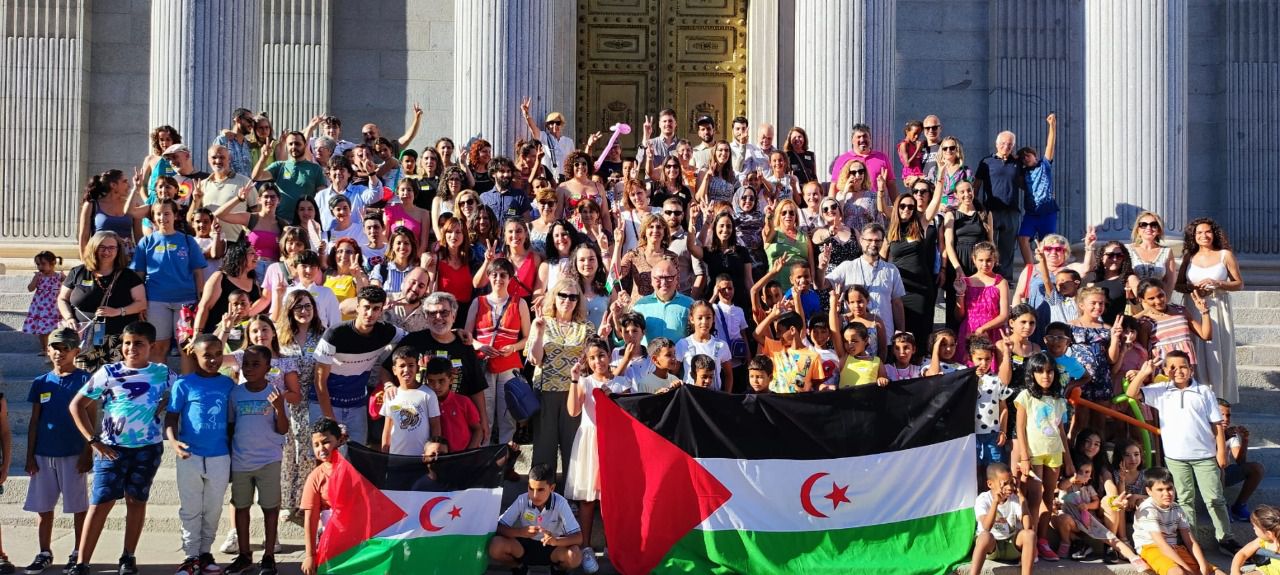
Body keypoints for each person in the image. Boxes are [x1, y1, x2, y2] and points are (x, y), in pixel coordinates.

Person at [68, 321, 175, 575]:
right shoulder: (109, 372)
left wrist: (167, 402)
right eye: (127, 343)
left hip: (147, 449)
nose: (131, 348)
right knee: (100, 503)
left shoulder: (163, 373)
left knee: (136, 501)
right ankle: (82, 562)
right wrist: (93, 440)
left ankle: (128, 556)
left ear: (151, 346)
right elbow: (76, 405)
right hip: (111, 449)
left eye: (138, 343)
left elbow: (182, 393)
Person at [1126, 352, 1243, 553]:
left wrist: (1221, 451)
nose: (1178, 371)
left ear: (1191, 369)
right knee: (1185, 500)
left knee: (1214, 498)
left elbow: (1216, 423)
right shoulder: (1161, 390)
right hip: (1176, 458)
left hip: (1204, 456)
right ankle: (1192, 541)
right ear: (1165, 370)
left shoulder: (1203, 391)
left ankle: (1226, 538)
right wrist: (1144, 373)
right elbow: (1131, 394)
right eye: (1172, 367)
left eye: (1183, 366)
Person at [21, 328, 91, 575]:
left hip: (73, 453)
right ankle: (44, 552)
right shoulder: (41, 382)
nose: (59, 353)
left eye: (65, 348)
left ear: (76, 351)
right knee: (43, 507)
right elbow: (34, 421)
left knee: (78, 506)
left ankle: (78, 552)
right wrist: (30, 455)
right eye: (54, 347)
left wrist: (88, 452)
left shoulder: (85, 380)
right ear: (47, 350)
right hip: (43, 454)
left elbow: (92, 417)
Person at [165, 334, 235, 575]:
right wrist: (174, 442)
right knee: (190, 508)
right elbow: (171, 417)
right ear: (194, 356)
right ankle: (190, 556)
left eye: (218, 354)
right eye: (207, 355)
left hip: (220, 456)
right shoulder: (184, 384)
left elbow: (232, 422)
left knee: (213, 509)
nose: (214, 360)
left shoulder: (227, 384)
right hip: (190, 456)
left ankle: (205, 552)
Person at [385, 292, 489, 447]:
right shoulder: (413, 340)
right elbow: (387, 367)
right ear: (426, 317)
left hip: (456, 423)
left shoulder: (465, 346)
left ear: (454, 315)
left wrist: (483, 420)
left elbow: (476, 386)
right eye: (432, 313)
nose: (438, 317)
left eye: (444, 312)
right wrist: (388, 385)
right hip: (419, 422)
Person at [566, 338, 632, 573]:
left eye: (601, 355)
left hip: (614, 444)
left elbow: (628, 417)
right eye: (592, 358)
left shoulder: (623, 383)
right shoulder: (584, 382)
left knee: (611, 499)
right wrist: (574, 380)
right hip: (589, 443)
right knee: (587, 500)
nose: (597, 361)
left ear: (609, 355)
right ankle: (586, 547)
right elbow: (573, 410)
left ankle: (614, 547)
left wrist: (611, 398)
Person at [224, 345, 289, 575]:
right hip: (241, 461)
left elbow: (283, 429)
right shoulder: (236, 393)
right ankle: (244, 555)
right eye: (246, 364)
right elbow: (231, 426)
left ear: (267, 368)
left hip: (269, 460)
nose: (249, 369)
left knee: (270, 509)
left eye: (255, 364)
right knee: (241, 507)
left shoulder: (275, 393)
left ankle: (269, 556)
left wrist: (279, 408)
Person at [313, 286, 406, 446]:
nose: (370, 313)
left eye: (376, 308)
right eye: (366, 307)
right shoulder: (335, 334)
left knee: (358, 457)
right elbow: (319, 381)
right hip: (324, 404)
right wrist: (330, 421)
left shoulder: (387, 331)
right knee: (325, 457)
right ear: (357, 307)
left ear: (381, 310)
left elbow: (413, 340)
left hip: (357, 406)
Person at [525, 278, 593, 476]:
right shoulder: (542, 322)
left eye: (573, 297)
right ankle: (542, 490)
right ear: (554, 297)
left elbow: (592, 358)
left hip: (574, 392)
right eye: (563, 295)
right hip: (546, 391)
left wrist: (603, 336)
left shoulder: (586, 327)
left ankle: (570, 492)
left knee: (573, 447)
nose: (567, 300)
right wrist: (538, 333)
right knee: (544, 447)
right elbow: (535, 360)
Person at [1012, 352, 1073, 561]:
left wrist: (1069, 460)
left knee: (1049, 497)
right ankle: (1032, 540)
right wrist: (1024, 457)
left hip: (1054, 453)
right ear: (1032, 373)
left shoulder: (1058, 399)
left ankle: (1043, 540)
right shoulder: (1025, 396)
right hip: (1034, 453)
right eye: (1040, 371)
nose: (1045, 376)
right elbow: (1020, 428)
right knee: (1035, 497)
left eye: (1049, 371)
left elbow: (1061, 430)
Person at [56, 231, 147, 370]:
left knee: (114, 378)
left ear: (118, 250)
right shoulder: (78, 272)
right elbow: (62, 298)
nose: (107, 252)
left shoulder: (129, 276)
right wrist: (69, 318)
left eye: (111, 248)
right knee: (84, 379)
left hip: (118, 338)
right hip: (83, 337)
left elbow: (141, 303)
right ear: (93, 248)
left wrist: (117, 311)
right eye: (102, 247)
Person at [1176, 217, 1243, 404]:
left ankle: (1219, 397)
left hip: (1218, 308)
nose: (1204, 236)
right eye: (1199, 232)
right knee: (1196, 348)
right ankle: (1197, 394)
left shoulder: (1224, 255)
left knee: (1216, 350)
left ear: (1214, 234)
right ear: (1193, 236)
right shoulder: (1189, 257)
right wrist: (1193, 287)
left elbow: (1239, 283)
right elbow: (1178, 285)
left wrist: (1218, 283)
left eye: (1207, 231)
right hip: (1194, 306)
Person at [465, 257, 531, 445]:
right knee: (484, 414)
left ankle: (505, 456)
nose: (498, 279)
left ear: (510, 278)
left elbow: (528, 338)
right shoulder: (478, 302)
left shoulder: (520, 303)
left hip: (509, 365)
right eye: (494, 275)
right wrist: (480, 346)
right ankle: (483, 455)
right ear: (488, 277)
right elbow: (466, 336)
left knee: (507, 416)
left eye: (503, 275)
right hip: (484, 365)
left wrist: (514, 347)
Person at [132, 200, 207, 362]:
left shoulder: (187, 240)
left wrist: (200, 299)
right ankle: (160, 378)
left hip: (185, 301)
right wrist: (140, 302)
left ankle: (187, 379)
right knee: (158, 347)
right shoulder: (146, 242)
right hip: (156, 301)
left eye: (167, 213)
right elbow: (139, 275)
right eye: (158, 214)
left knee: (186, 347)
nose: (162, 218)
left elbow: (198, 272)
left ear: (175, 216)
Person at [274, 289, 323, 521]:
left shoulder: (322, 336)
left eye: (308, 306)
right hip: (286, 401)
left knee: (306, 454)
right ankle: (286, 502)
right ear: (290, 311)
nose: (304, 311)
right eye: (299, 307)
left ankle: (305, 500)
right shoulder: (281, 337)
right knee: (287, 453)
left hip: (312, 402)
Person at [489, 463, 584, 573]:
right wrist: (520, 532)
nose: (534, 495)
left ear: (552, 488)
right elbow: (499, 527)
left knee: (574, 555)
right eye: (531, 488)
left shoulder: (561, 503)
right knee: (495, 546)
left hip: (553, 549)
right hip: (524, 547)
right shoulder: (522, 500)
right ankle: (518, 567)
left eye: (540, 490)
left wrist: (555, 541)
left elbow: (578, 538)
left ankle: (558, 569)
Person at [1131, 467, 1225, 575]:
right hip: (1151, 548)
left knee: (1216, 572)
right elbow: (1161, 544)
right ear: (1149, 491)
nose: (1167, 493)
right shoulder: (1147, 509)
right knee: (1178, 572)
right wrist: (1188, 570)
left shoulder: (1176, 508)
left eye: (1169, 488)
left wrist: (1203, 565)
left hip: (1175, 548)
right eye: (1160, 490)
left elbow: (1190, 541)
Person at [1054, 459, 1147, 566]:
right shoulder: (1069, 486)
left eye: (1087, 472)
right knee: (1061, 519)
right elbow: (1061, 486)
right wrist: (1072, 479)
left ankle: (1133, 557)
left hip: (1086, 520)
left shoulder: (1088, 488)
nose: (1083, 475)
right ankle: (1067, 542)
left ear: (1091, 475)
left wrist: (1087, 506)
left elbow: (1096, 503)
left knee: (1109, 537)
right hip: (1073, 522)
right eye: (1080, 472)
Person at [824, 223, 907, 339]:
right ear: (861, 241)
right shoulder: (848, 267)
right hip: (854, 339)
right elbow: (822, 284)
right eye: (869, 240)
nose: (873, 244)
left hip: (885, 336)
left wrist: (901, 333)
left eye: (877, 241)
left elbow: (897, 304)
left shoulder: (892, 270)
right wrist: (822, 267)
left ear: (882, 243)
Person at [884, 189, 940, 348]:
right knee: (901, 331)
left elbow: (935, 203)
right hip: (899, 288)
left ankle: (921, 359)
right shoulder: (890, 232)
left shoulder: (920, 226)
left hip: (921, 288)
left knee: (921, 330)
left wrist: (941, 180)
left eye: (911, 207)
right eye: (902, 206)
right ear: (897, 208)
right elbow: (881, 258)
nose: (906, 209)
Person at [973, 130, 1024, 281]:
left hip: (1011, 211)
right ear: (996, 144)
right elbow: (976, 185)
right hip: (991, 211)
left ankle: (1005, 279)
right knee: (988, 246)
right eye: (1003, 143)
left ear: (1013, 146)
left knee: (1007, 248)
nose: (1006, 146)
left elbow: (1025, 184)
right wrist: (975, 206)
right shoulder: (986, 162)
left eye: (1010, 144)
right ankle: (988, 277)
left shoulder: (1017, 163)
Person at [967, 463, 1035, 575]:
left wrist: (1021, 497)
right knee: (984, 536)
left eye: (1011, 482)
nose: (1010, 487)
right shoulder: (983, 499)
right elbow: (986, 527)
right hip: (992, 547)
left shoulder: (1014, 499)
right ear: (990, 484)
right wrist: (995, 503)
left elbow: (1028, 526)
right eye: (1005, 484)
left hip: (1010, 545)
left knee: (1030, 534)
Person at [300, 418, 345, 575]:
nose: (321, 449)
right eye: (316, 445)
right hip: (330, 540)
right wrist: (310, 555)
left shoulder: (354, 469)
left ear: (339, 440)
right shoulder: (315, 477)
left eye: (326, 442)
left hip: (358, 540)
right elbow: (310, 518)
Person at [379, 346, 441, 455]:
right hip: (396, 456)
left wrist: (433, 452)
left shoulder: (428, 394)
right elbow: (387, 428)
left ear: (417, 368)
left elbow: (435, 426)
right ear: (394, 370)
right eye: (402, 366)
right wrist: (384, 453)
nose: (406, 370)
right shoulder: (391, 395)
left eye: (411, 365)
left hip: (421, 457)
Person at [194, 241, 265, 335]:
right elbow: (204, 307)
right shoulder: (220, 277)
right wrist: (197, 334)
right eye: (252, 253)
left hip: (244, 336)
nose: (257, 257)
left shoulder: (254, 283)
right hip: (216, 334)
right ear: (239, 256)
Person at [1015, 113, 1058, 268]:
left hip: (1048, 212)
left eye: (1028, 156)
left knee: (1047, 243)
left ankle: (1047, 269)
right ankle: (1030, 269)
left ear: (1035, 155)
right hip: (1032, 213)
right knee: (1022, 238)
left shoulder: (1044, 165)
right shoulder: (1023, 173)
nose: (1026, 159)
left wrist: (1052, 126)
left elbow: (1050, 146)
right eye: (1023, 158)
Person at [253, 131, 324, 217]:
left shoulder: (315, 169)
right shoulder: (279, 166)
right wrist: (263, 158)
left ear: (305, 145)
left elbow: (322, 196)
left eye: (297, 144)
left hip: (305, 220)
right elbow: (256, 176)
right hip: (281, 220)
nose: (293, 146)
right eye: (290, 144)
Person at [1218, 399, 1266, 523]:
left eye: (1228, 415)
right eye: (1221, 415)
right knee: (1218, 469)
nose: (1225, 419)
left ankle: (1239, 506)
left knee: (1257, 469)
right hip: (1204, 474)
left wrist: (1244, 441)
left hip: (1224, 472)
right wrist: (1224, 437)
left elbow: (1240, 462)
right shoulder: (1204, 431)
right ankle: (1221, 506)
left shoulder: (1230, 434)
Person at [754, 308, 824, 393]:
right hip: (774, 399)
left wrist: (825, 387)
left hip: (797, 401)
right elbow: (756, 335)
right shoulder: (776, 347)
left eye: (779, 331)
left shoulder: (813, 356)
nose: (777, 335)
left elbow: (817, 385)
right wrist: (772, 316)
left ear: (792, 330)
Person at [78, 169, 141, 262]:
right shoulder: (92, 205)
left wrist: (141, 261)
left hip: (126, 259)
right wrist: (84, 261)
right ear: (113, 185)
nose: (129, 185)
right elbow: (84, 236)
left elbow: (139, 236)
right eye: (124, 181)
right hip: (101, 257)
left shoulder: (133, 205)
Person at [420, 356, 481, 452]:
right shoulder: (423, 404)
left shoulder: (464, 402)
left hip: (463, 457)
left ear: (451, 379)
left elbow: (478, 430)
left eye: (441, 380)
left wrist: (468, 453)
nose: (436, 386)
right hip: (437, 457)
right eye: (431, 381)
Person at [969, 336, 1011, 475]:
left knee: (995, 469)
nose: (984, 363)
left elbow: (1003, 408)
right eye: (979, 359)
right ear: (971, 357)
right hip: (972, 434)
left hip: (993, 434)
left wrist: (1002, 431)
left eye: (987, 359)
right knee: (973, 470)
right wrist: (973, 378)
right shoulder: (966, 379)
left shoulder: (997, 380)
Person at [629, 260, 694, 344]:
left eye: (669, 278)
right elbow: (627, 337)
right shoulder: (640, 306)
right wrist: (617, 317)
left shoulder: (690, 305)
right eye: (659, 278)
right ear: (652, 281)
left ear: (677, 279)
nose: (664, 282)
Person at [830, 124, 898, 203]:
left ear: (870, 139)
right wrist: (830, 205)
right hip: (849, 206)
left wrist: (898, 206)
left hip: (876, 205)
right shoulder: (842, 160)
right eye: (858, 137)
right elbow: (834, 186)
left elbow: (891, 184)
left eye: (865, 136)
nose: (862, 139)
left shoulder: (882, 158)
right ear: (852, 140)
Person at [675, 301, 733, 392]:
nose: (704, 322)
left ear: (713, 319)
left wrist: (726, 396)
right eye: (700, 318)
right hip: (690, 396)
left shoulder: (721, 345)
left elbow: (728, 375)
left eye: (708, 317)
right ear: (692, 319)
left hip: (714, 396)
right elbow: (673, 375)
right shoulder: (683, 344)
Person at [763, 198, 814, 294]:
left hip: (801, 287)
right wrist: (769, 217)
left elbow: (811, 263)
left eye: (791, 213)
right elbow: (767, 231)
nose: (788, 215)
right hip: (777, 289)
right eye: (784, 213)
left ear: (796, 216)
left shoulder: (804, 236)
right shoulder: (774, 232)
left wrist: (811, 285)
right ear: (778, 215)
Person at [521, 99, 575, 179]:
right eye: (551, 123)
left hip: (564, 180)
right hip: (547, 179)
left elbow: (573, 161)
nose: (554, 125)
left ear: (562, 125)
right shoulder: (544, 137)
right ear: (547, 126)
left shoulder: (569, 142)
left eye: (558, 123)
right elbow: (533, 128)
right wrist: (526, 114)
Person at [24, 251, 65, 353]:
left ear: (53, 263)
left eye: (43, 264)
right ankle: (44, 349)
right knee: (42, 329)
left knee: (56, 328)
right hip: (41, 307)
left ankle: (55, 349)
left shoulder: (59, 276)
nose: (40, 267)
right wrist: (35, 279)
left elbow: (67, 288)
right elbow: (30, 288)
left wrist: (65, 279)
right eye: (38, 264)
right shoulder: (39, 277)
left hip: (54, 307)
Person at [1128, 211, 1176, 294]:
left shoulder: (1167, 252)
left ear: (1159, 230)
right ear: (1138, 230)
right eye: (1143, 225)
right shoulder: (1128, 250)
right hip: (1134, 299)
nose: (1148, 228)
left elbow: (1170, 282)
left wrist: (1166, 299)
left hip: (1159, 299)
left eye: (1153, 225)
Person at [1230, 505, 1280, 575]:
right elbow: (1243, 553)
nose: (1253, 528)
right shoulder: (1263, 540)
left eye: (1255, 527)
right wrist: (1234, 572)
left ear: (1269, 534)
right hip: (1268, 571)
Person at [636, 109, 680, 179]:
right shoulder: (651, 143)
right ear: (659, 124)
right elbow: (639, 163)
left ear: (675, 123)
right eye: (664, 121)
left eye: (670, 121)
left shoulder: (681, 145)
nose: (667, 124)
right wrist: (645, 137)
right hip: (653, 183)